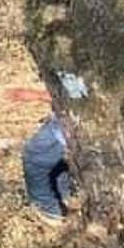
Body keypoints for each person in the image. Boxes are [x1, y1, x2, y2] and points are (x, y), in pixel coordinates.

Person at [7, 87, 74, 223]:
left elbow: (77, 97)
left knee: (35, 158)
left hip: (71, 124)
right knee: (53, 158)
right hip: (71, 120)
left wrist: (36, 95)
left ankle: (50, 210)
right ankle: (63, 193)